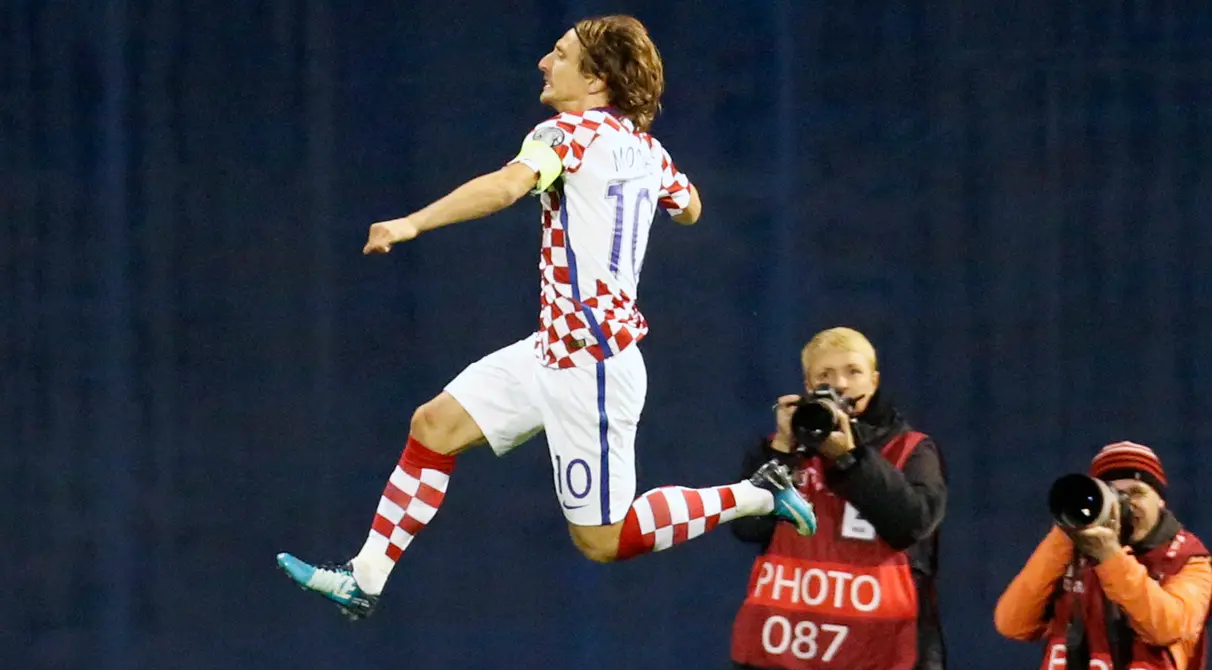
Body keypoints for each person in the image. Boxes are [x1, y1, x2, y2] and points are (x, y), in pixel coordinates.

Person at [275, 15, 816, 619]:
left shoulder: (567, 134)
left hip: (593, 364)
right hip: (553, 347)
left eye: (559, 54)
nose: (543, 62)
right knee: (433, 425)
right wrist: (652, 197)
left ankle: (755, 495)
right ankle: (365, 577)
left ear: (597, 82)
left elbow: (508, 187)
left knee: (601, 542)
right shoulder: (647, 150)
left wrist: (412, 223)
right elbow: (690, 207)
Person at [722, 327, 949, 670]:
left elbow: (911, 524)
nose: (839, 384)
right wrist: (782, 451)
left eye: (852, 372)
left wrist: (849, 457)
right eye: (825, 376)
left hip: (880, 666)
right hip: (784, 663)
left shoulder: (910, 449)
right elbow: (746, 526)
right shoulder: (784, 451)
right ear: (808, 384)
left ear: (874, 380)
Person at [994, 441, 1212, 670]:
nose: (1125, 505)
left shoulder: (1188, 560)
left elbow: (1165, 627)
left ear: (1160, 500)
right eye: (1113, 494)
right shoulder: (1069, 549)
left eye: (1136, 493)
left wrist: (1111, 557)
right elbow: (1012, 622)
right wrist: (1065, 535)